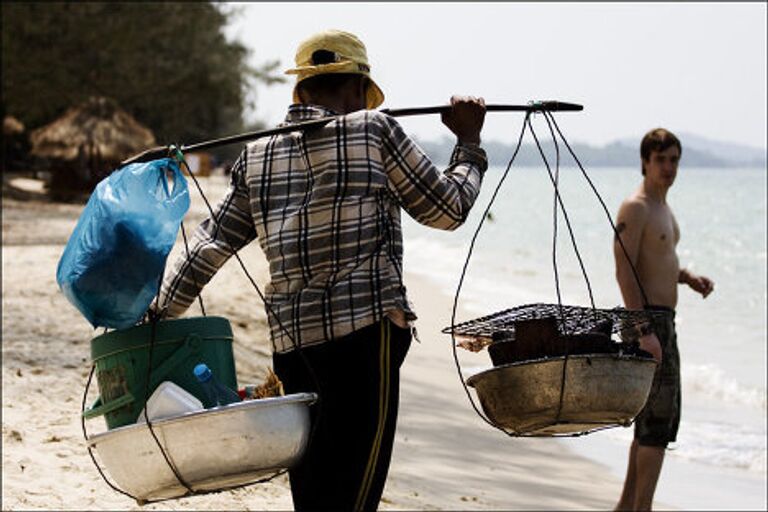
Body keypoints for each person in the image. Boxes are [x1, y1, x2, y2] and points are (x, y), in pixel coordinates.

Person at [155, 29, 488, 511]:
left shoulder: (258, 155)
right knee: (355, 493)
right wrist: (470, 143)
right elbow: (448, 209)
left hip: (292, 350)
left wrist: (161, 309)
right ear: (356, 87)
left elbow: (211, 243)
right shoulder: (375, 130)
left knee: (314, 493)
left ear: (303, 90)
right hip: (363, 342)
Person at [613, 128, 714, 511]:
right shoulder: (635, 207)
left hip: (662, 322)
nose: (668, 167)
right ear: (644, 161)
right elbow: (623, 270)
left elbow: (656, 262)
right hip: (647, 323)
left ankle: (627, 507)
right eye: (661, 159)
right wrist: (643, 332)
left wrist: (686, 277)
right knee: (656, 426)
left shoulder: (663, 208)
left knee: (652, 424)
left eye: (674, 159)